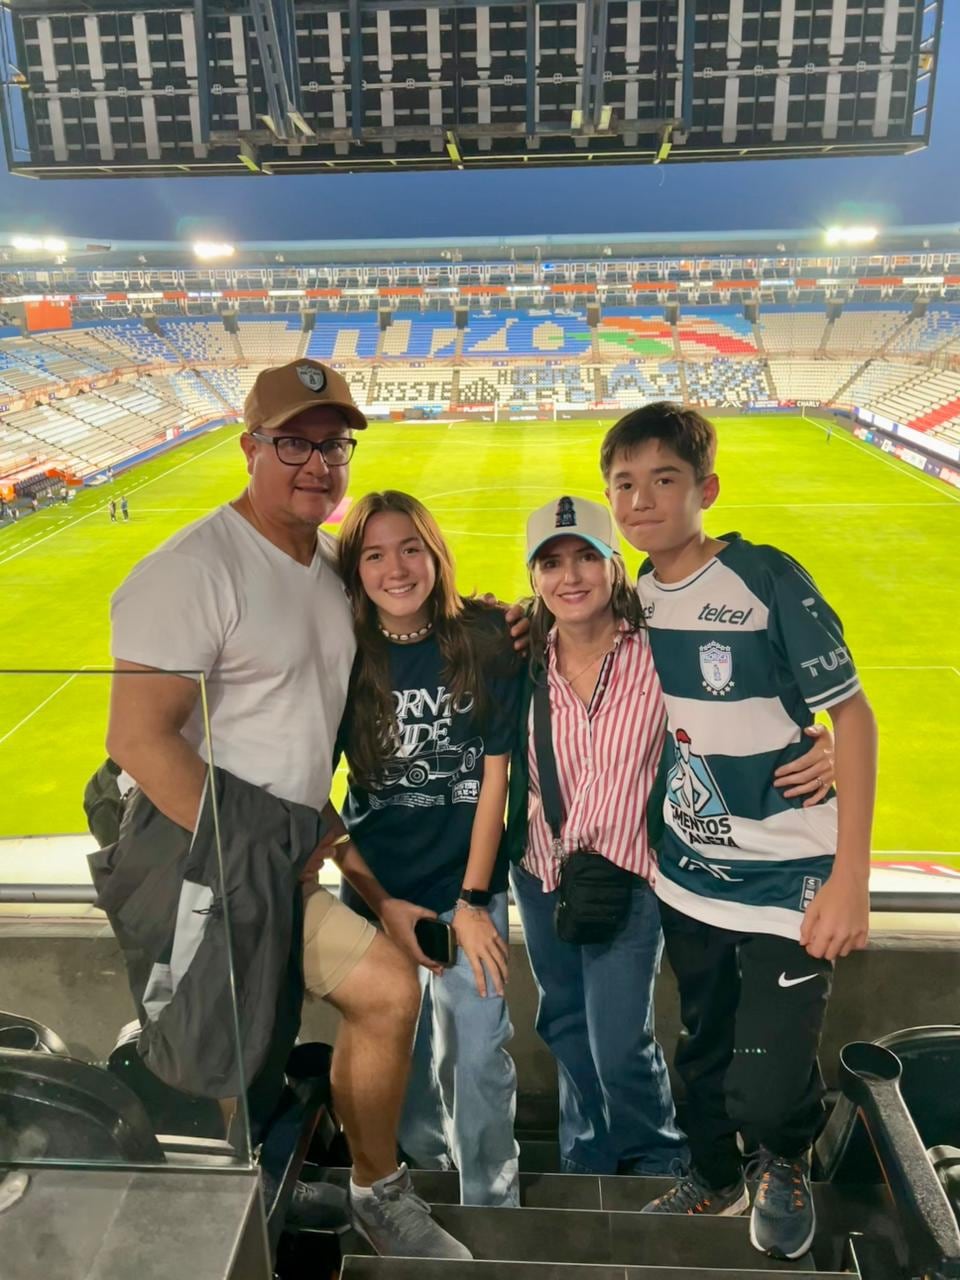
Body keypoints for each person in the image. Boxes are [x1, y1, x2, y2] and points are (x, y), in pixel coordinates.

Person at [105, 358, 470, 1260]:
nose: (318, 463)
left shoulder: (331, 568)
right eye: (294, 443)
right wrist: (264, 851)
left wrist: (500, 625)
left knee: (388, 993)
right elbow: (139, 742)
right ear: (250, 448)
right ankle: (220, 1238)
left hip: (291, 852)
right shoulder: (191, 569)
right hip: (209, 858)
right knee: (226, 1072)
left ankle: (375, 1193)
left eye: (333, 445)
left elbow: (403, 625)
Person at [600, 403, 876, 1261]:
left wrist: (851, 879)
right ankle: (717, 1177)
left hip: (790, 874)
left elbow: (855, 720)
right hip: (690, 873)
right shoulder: (636, 593)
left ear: (706, 489)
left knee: (762, 1079)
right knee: (702, 1053)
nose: (641, 500)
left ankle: (782, 1158)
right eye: (624, 484)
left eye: (664, 480)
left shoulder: (763, 578)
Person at [503, 496, 834, 1181]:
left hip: (632, 876)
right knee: (563, 1025)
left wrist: (822, 742)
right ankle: (587, 1157)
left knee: (620, 1039)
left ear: (615, 565)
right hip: (542, 874)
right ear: (533, 578)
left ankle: (657, 1157)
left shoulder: (657, 648)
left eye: (587, 557)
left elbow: (755, 694)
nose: (571, 577)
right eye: (552, 563)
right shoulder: (519, 658)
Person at [334, 490, 521, 1209]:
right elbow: (312, 802)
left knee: (478, 1055)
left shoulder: (487, 637)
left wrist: (471, 902)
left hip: (467, 886)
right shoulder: (340, 652)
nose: (397, 567)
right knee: (398, 1058)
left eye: (410, 547)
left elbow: (494, 780)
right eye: (375, 554)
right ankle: (420, 1179)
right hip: (377, 896)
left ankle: (491, 1203)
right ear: (356, 571)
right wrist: (383, 906)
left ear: (436, 552)